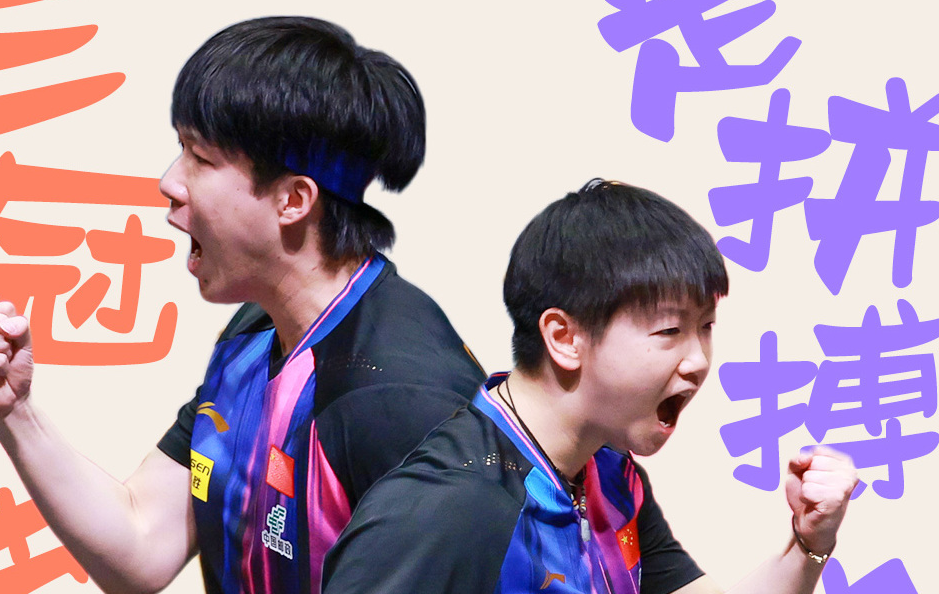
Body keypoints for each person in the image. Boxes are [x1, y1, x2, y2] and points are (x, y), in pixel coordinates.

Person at [0, 16, 484, 594]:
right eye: (180, 149)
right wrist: (15, 413)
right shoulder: (254, 335)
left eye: (200, 159)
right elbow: (142, 543)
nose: (169, 183)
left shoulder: (402, 401)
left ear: (293, 200)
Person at [322, 179, 857, 594]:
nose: (698, 361)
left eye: (706, 327)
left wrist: (808, 542)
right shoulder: (447, 509)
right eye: (669, 331)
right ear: (564, 337)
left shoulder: (609, 474)